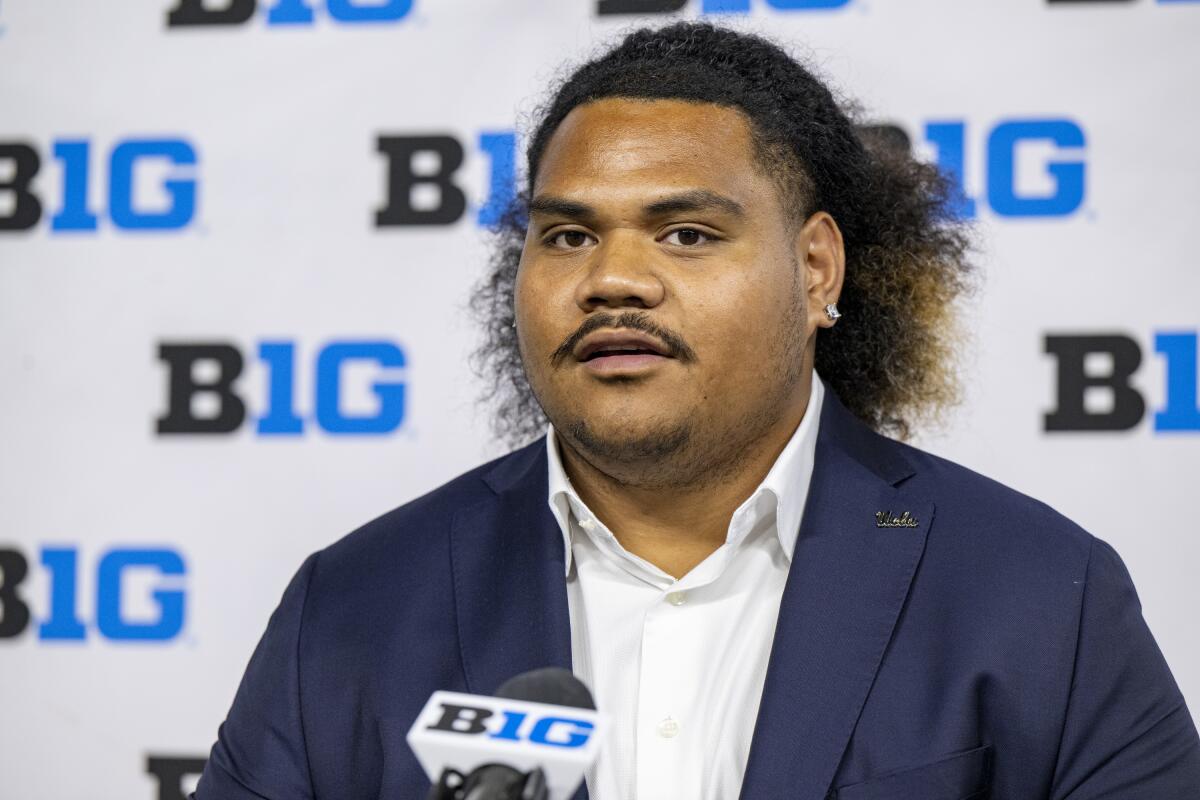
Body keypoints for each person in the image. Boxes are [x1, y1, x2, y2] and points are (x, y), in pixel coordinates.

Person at [194, 21, 1200, 800]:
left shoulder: (1037, 593)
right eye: (569, 237)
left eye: (683, 233)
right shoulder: (356, 605)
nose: (614, 279)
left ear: (815, 271)